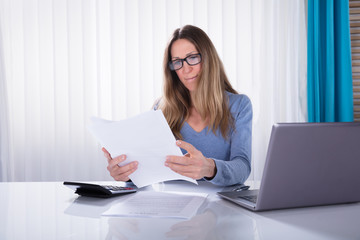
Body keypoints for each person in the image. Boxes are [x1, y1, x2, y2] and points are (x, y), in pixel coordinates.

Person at [103, 25, 252, 186]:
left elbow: (242, 167)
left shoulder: (239, 106)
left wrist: (210, 168)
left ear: (209, 58)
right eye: (177, 62)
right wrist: (128, 175)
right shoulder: (161, 108)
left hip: (221, 206)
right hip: (171, 204)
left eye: (193, 57)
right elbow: (148, 170)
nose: (186, 69)